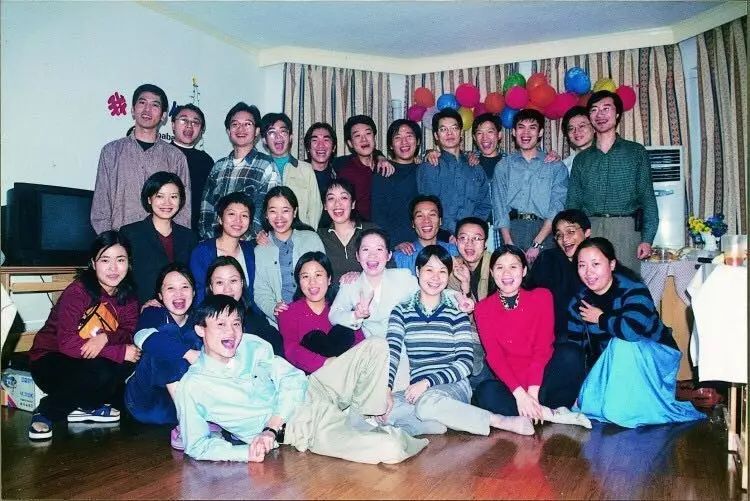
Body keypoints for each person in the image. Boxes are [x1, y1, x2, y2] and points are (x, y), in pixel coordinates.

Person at [175, 294, 429, 464]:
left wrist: (271, 426)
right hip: (301, 426)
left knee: (376, 345)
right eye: (221, 325)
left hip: (312, 389)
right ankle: (399, 430)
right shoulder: (194, 386)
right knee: (391, 450)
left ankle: (364, 417)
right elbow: (196, 445)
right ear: (200, 329)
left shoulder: (251, 345)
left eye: (236, 324)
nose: (231, 332)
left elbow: (293, 378)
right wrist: (246, 452)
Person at [382, 245, 535, 437]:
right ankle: (432, 424)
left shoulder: (457, 311)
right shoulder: (401, 311)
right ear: (418, 271)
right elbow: (392, 352)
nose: (435, 277)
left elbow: (465, 363)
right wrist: (386, 390)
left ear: (448, 276)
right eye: (429, 270)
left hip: (453, 385)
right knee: (373, 409)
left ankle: (497, 420)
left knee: (427, 404)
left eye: (442, 271)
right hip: (416, 390)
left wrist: (428, 382)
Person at [568, 237, 704, 428]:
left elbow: (631, 332)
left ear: (612, 264)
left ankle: (640, 404)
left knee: (621, 343)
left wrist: (600, 318)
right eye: (582, 265)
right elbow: (575, 344)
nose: (588, 272)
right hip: (613, 364)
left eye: (596, 264)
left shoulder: (633, 290)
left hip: (656, 356)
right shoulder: (580, 301)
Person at [27, 231, 141, 441]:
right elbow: (67, 343)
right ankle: (47, 411)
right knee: (104, 371)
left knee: (132, 360)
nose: (113, 268)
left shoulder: (128, 296)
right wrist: (116, 351)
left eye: (120, 260)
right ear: (93, 263)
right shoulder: (78, 292)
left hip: (89, 362)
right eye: (105, 260)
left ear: (129, 263)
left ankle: (85, 405)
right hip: (50, 359)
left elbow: (127, 332)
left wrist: (105, 338)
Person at [473, 245, 591, 428]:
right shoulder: (482, 309)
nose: (506, 273)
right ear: (491, 272)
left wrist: (532, 395)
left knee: (571, 354)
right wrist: (521, 396)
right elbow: (495, 357)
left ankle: (535, 413)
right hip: (513, 388)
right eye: (500, 267)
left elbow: (542, 347)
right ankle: (551, 414)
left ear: (524, 270)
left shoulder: (542, 297)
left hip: (542, 379)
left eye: (513, 266)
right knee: (485, 392)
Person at [566, 90, 659, 272]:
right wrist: (573, 237)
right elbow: (572, 205)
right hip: (590, 231)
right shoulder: (581, 160)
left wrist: (647, 239)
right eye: (594, 110)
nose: (600, 114)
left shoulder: (636, 152)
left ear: (617, 114)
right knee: (590, 282)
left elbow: (647, 198)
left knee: (626, 284)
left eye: (606, 108)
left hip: (626, 230)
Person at [91, 84, 191, 233]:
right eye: (142, 102)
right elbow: (101, 205)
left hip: (161, 241)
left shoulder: (176, 157)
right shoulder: (111, 152)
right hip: (120, 240)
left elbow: (183, 209)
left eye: (155, 105)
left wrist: (176, 241)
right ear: (133, 109)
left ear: (163, 115)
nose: (147, 109)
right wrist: (110, 242)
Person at [124, 264, 202, 449]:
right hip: (144, 401)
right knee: (166, 335)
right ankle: (188, 422)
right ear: (160, 295)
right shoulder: (154, 312)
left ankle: (197, 418)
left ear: (193, 292)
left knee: (198, 336)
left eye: (185, 287)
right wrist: (189, 353)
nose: (179, 294)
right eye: (170, 288)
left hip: (170, 409)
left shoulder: (198, 320)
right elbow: (142, 337)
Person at [493, 109, 568, 263]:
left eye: (532, 128)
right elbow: (499, 207)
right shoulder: (503, 166)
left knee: (545, 277)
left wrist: (537, 243)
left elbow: (557, 206)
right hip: (512, 230)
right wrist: (508, 242)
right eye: (521, 127)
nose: (526, 133)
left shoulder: (555, 166)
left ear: (540, 132)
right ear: (514, 132)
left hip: (545, 231)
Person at [198, 102, 279, 239]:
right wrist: (210, 239)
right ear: (228, 131)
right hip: (215, 243)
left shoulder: (267, 165)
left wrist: (241, 241)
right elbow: (206, 209)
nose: (241, 129)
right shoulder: (218, 167)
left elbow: (266, 210)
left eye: (247, 124)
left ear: (257, 131)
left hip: (248, 244)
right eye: (235, 124)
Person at [278, 252, 365, 374]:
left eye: (318, 275)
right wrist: (326, 363)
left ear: (329, 279)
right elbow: (291, 350)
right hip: (312, 378)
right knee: (314, 337)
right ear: (299, 281)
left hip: (348, 371)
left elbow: (360, 342)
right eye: (305, 276)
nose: (312, 282)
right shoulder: (288, 313)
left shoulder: (340, 308)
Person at [120, 172, 197, 305]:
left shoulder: (189, 237)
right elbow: (123, 281)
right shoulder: (130, 233)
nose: (167, 203)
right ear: (149, 199)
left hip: (180, 309)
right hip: (140, 309)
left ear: (180, 200)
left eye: (173, 196)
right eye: (160, 196)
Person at [254, 187, 325, 327]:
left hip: (315, 314)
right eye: (273, 211)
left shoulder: (311, 239)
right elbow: (261, 290)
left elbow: (324, 277)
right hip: (282, 319)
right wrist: (273, 308)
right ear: (266, 214)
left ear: (295, 212)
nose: (279, 217)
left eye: (285, 210)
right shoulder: (260, 250)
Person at [417, 109, 491, 235]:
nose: (449, 133)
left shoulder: (475, 167)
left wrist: (469, 230)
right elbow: (427, 208)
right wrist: (451, 233)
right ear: (436, 136)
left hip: (471, 237)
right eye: (443, 129)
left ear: (461, 132)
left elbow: (484, 205)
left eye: (454, 128)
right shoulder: (429, 167)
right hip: (441, 237)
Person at [527, 209, 592, 345]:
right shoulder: (547, 260)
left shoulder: (598, 261)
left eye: (570, 231)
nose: (565, 239)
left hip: (590, 335)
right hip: (553, 337)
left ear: (587, 232)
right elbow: (531, 301)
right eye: (559, 235)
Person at [446, 217, 495, 384]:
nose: (469, 244)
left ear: (485, 243)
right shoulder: (452, 269)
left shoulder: (497, 266)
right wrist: (465, 286)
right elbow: (460, 317)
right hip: (471, 336)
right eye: (463, 238)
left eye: (476, 238)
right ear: (456, 241)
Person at [204, 255, 283, 355]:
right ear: (211, 287)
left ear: (242, 283)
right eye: (219, 282)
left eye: (233, 281)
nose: (227, 289)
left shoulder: (256, 320)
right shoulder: (202, 319)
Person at [190, 192, 256, 305]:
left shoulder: (251, 251)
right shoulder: (202, 252)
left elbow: (251, 296)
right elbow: (199, 295)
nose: (238, 220)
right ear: (220, 219)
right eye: (231, 214)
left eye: (244, 215)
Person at [260, 113, 323, 229]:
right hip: (268, 237)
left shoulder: (306, 169)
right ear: (264, 140)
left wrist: (307, 235)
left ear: (290, 137)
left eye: (283, 131)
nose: (278, 137)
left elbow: (315, 208)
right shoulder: (259, 169)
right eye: (272, 132)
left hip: (300, 235)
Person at [317, 179, 378, 283]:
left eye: (344, 197)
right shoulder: (319, 237)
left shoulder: (371, 231)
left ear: (353, 204)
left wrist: (363, 276)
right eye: (331, 198)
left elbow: (389, 266)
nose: (337, 204)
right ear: (325, 206)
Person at [372, 119, 421, 247]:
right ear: (391, 145)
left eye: (409, 136)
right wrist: (394, 243)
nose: (404, 142)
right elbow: (378, 216)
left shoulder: (425, 170)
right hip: (397, 245)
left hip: (424, 241)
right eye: (398, 138)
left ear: (418, 142)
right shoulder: (384, 172)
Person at [335, 115, 395, 220]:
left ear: (374, 137)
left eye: (368, 133)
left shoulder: (387, 167)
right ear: (350, 143)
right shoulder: (346, 171)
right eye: (357, 135)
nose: (364, 139)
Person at [170, 104, 215, 230]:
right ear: (173, 125)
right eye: (184, 120)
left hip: (196, 230)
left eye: (195, 122)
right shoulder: (162, 154)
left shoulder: (206, 160)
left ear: (201, 130)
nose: (189, 126)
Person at [392, 195, 459, 274]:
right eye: (420, 216)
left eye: (432, 214)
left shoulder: (454, 251)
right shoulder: (400, 258)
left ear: (440, 221)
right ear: (413, 223)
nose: (426, 220)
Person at [304, 122, 338, 200]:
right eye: (315, 140)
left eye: (326, 140)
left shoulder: (339, 174)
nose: (321, 145)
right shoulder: (297, 173)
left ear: (333, 148)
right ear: (308, 148)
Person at [561, 106, 594, 174]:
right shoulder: (564, 166)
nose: (576, 132)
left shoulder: (608, 157)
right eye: (571, 128)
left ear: (594, 128)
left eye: (582, 126)